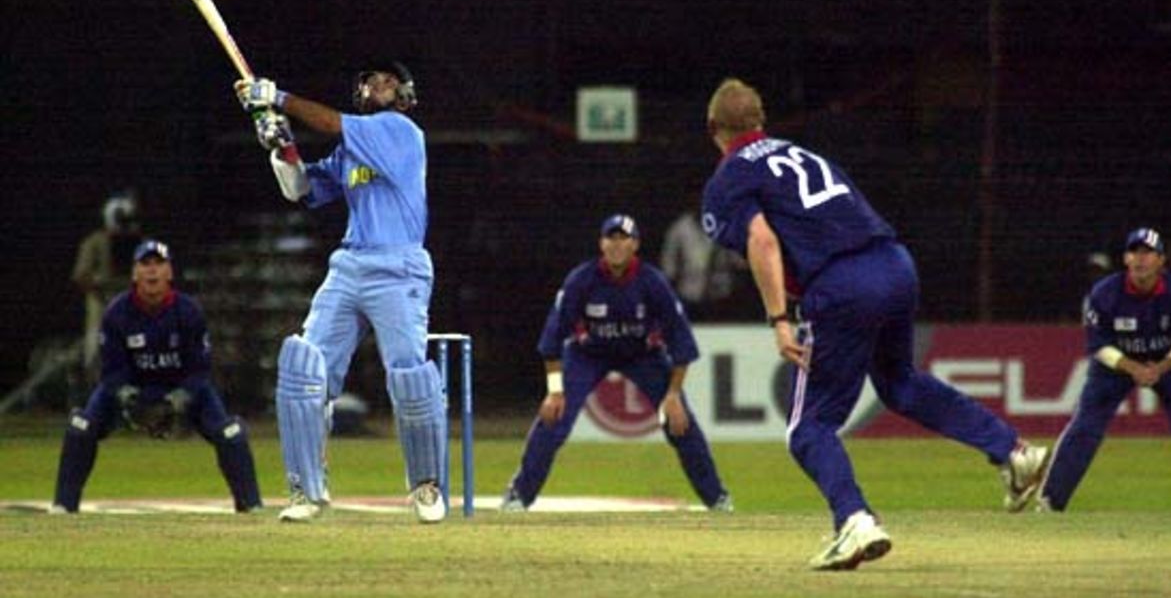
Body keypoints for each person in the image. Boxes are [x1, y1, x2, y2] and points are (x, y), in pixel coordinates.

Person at [699, 78, 1048, 571]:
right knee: (899, 382)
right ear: (761, 121)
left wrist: (778, 319)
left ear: (712, 127)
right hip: (894, 263)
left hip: (842, 283)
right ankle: (1013, 452)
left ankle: (855, 520)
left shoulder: (728, 178)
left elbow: (762, 240)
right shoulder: (803, 154)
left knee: (809, 427)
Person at [235, 61, 447, 524]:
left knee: (410, 378)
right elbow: (301, 189)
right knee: (303, 368)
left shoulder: (401, 131)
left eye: (389, 81)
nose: (379, 85)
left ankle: (427, 485)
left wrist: (278, 98)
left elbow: (331, 123)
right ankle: (306, 490)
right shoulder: (350, 152)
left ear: (405, 94)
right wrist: (281, 144)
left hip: (399, 266)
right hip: (350, 265)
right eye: (371, 80)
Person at [499, 213, 733, 512]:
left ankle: (717, 499)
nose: (617, 245)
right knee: (553, 419)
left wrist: (673, 395)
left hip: (643, 355)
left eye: (624, 238)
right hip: (588, 354)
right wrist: (554, 391)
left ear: (635, 245)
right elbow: (553, 339)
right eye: (611, 238)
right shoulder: (581, 280)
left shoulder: (652, 283)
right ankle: (519, 495)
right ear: (601, 244)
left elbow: (680, 342)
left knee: (680, 423)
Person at [51, 240, 262, 513]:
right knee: (80, 427)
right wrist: (125, 395)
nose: (152, 271)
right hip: (131, 387)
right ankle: (63, 506)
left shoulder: (188, 311)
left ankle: (251, 506)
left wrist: (182, 397)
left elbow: (200, 369)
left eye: (159, 264)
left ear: (170, 272)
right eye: (145, 264)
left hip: (182, 388)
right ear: (134, 273)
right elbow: (110, 369)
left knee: (231, 433)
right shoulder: (117, 312)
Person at [1038, 228, 1171, 512]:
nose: (1140, 259)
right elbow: (1097, 345)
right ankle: (1051, 501)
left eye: (1148, 253)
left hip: (1166, 363)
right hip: (1115, 364)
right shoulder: (1105, 293)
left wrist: (1160, 368)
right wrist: (1133, 368)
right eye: (1134, 252)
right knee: (1085, 427)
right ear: (1126, 259)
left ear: (1161, 261)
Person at [69, 190, 143, 404]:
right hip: (101, 309)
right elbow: (81, 275)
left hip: (130, 309)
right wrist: (102, 286)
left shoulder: (138, 243)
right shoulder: (95, 242)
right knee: (96, 355)